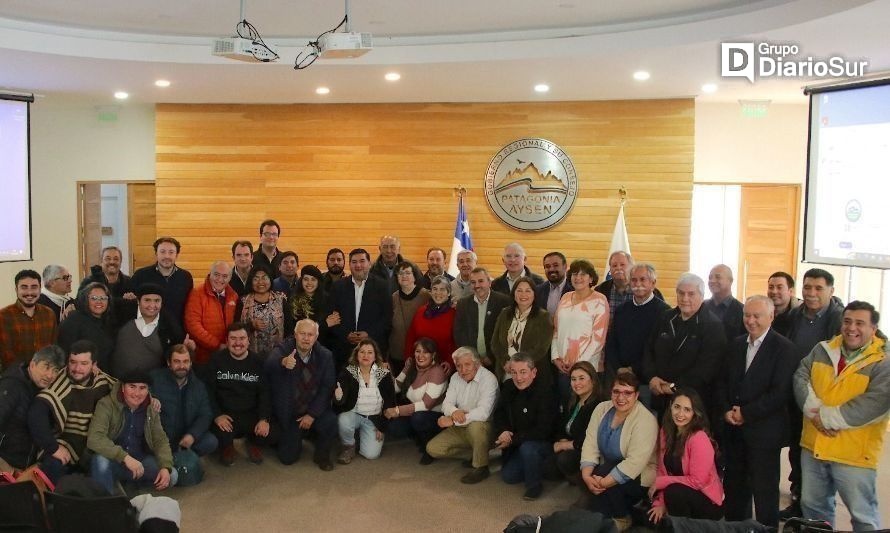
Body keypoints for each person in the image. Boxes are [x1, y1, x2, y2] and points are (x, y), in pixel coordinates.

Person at [793, 301, 890, 531]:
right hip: (814, 447)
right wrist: (814, 412)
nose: (851, 328)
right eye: (847, 321)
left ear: (873, 329)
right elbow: (801, 377)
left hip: (853, 455)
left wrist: (824, 418)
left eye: (860, 323)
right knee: (814, 509)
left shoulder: (883, 363)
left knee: (862, 514)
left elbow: (873, 404)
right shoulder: (822, 349)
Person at [717, 295, 797, 528]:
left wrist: (747, 414)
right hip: (733, 431)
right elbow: (722, 382)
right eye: (747, 315)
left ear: (771, 317)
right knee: (734, 488)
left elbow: (780, 393)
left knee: (765, 491)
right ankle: (736, 528)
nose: (750, 321)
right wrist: (725, 412)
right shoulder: (736, 344)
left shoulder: (784, 348)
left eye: (756, 316)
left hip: (764, 433)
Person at [781, 267, 845, 519]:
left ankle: (819, 512)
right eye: (807, 287)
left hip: (825, 399)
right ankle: (798, 499)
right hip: (796, 393)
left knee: (822, 456)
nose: (812, 293)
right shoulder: (794, 316)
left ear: (831, 291)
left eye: (818, 288)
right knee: (798, 449)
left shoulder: (840, 318)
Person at [28, 340, 115, 482]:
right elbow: (36, 414)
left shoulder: (102, 381)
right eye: (73, 362)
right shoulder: (60, 379)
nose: (77, 368)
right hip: (62, 442)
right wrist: (53, 447)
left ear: (94, 365)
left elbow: (129, 390)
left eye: (84, 363)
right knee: (52, 466)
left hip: (93, 444)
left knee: (102, 462)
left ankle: (102, 503)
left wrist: (152, 398)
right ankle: (52, 502)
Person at [579, 372, 658, 529]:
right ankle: (610, 514)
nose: (621, 397)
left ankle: (621, 517)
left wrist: (602, 482)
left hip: (639, 474)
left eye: (627, 393)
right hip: (606, 468)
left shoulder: (645, 420)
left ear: (636, 395)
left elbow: (634, 463)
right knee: (588, 474)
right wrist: (587, 476)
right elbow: (590, 443)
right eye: (616, 391)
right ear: (611, 392)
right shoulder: (601, 408)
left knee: (598, 497)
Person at [643, 273, 726, 420]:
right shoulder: (665, 317)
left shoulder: (713, 326)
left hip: (692, 402)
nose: (685, 298)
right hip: (660, 396)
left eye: (691, 294)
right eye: (681, 293)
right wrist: (652, 377)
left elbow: (706, 369)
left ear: (702, 295)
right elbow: (649, 349)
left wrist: (673, 387)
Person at [87, 369, 176, 494]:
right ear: (123, 388)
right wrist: (125, 458)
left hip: (140, 461)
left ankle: (129, 483)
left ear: (148, 390)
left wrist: (165, 466)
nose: (137, 393)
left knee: (172, 476)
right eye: (132, 387)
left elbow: (160, 440)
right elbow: (94, 439)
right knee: (100, 461)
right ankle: (107, 501)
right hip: (114, 460)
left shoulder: (151, 408)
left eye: (142, 388)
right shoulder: (106, 404)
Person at [265, 319, 338, 470]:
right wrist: (283, 361)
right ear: (295, 335)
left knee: (330, 421)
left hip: (313, 409)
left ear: (316, 337)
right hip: (292, 412)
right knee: (287, 458)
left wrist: (312, 414)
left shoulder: (325, 356)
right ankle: (299, 435)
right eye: (302, 334)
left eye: (310, 335)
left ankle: (322, 455)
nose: (306, 338)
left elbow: (327, 388)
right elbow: (269, 362)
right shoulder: (285, 347)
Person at [648, 389, 724, 524]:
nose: (680, 414)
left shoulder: (699, 437)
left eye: (687, 410)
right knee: (655, 513)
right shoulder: (665, 432)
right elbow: (662, 471)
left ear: (695, 413)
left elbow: (697, 481)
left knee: (674, 492)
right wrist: (660, 503)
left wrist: (663, 482)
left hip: (707, 501)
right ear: (670, 405)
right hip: (680, 495)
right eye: (677, 407)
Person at [206, 323, 276, 466]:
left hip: (250, 413)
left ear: (248, 340)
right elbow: (208, 391)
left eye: (242, 338)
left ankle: (252, 442)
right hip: (225, 414)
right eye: (233, 338)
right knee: (216, 437)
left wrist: (264, 419)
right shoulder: (216, 360)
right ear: (227, 341)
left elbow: (265, 393)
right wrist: (217, 415)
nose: (238, 343)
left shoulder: (258, 362)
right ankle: (227, 446)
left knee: (272, 434)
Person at [426, 347, 499, 484]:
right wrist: (454, 412)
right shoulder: (455, 377)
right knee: (433, 448)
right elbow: (446, 404)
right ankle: (477, 453)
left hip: (483, 426)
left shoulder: (489, 379)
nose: (463, 369)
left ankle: (481, 467)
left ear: (477, 364)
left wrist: (454, 419)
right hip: (461, 425)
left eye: (467, 365)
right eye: (459, 365)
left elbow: (483, 413)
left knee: (476, 427)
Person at [493, 353, 556, 500]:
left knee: (528, 448)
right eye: (514, 372)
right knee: (509, 477)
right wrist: (503, 431)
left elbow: (543, 430)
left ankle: (534, 486)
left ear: (533, 372)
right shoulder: (508, 387)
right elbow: (499, 413)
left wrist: (512, 439)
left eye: (523, 372)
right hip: (518, 442)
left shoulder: (546, 392)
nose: (518, 378)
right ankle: (534, 466)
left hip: (543, 442)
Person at [605, 263, 669, 406]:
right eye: (634, 280)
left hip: (646, 381)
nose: (637, 284)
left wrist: (633, 369)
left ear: (653, 283)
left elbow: (659, 350)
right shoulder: (622, 310)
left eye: (642, 279)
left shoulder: (664, 312)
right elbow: (612, 342)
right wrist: (619, 368)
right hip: (621, 379)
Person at [0, 345, 65, 473]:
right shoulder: (12, 386)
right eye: (46, 367)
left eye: (55, 370)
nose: (50, 375)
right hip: (6, 463)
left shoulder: (38, 387)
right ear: (33, 364)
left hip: (24, 465)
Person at [551, 259, 609, 404]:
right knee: (565, 409)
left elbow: (598, 339)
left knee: (583, 410)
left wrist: (578, 365)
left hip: (587, 369)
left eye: (583, 274)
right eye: (575, 274)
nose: (578, 278)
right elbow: (556, 330)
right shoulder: (565, 297)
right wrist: (555, 358)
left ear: (591, 278)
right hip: (563, 367)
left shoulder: (600, 300)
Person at [385, 338, 448, 464]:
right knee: (394, 427)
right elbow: (395, 388)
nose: (421, 355)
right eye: (418, 351)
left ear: (433, 354)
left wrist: (398, 410)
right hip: (415, 412)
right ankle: (419, 436)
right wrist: (388, 371)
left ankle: (430, 447)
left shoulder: (437, 372)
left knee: (418, 419)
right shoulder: (411, 367)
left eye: (425, 352)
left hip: (435, 415)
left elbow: (426, 405)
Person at [149, 344, 218, 460]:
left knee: (211, 441)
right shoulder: (154, 378)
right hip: (160, 436)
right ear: (169, 363)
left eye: (185, 361)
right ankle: (175, 458)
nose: (181, 366)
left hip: (184, 437)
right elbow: (138, 391)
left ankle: (178, 458)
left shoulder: (199, 386)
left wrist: (192, 435)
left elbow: (205, 415)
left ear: (191, 363)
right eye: (177, 361)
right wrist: (150, 397)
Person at [111, 283, 192, 379]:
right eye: (147, 300)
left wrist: (188, 348)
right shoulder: (122, 312)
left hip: (152, 386)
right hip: (116, 381)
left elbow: (174, 355)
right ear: (138, 301)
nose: (152, 305)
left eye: (157, 301)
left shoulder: (170, 326)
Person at [329, 248, 393, 370]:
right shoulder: (338, 287)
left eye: (362, 261)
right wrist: (346, 334)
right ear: (349, 265)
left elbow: (387, 318)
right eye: (354, 262)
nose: (358, 265)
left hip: (373, 350)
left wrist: (369, 335)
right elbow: (332, 317)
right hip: (344, 351)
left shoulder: (382, 286)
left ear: (369, 264)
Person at [333, 339, 396, 463]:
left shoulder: (383, 374)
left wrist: (382, 427)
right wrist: (338, 397)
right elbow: (339, 403)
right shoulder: (348, 372)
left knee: (371, 455)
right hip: (353, 414)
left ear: (375, 355)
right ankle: (348, 446)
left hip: (374, 418)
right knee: (343, 420)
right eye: (362, 352)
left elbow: (390, 404)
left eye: (369, 352)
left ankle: (362, 435)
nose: (365, 356)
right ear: (357, 355)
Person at [491, 277, 553, 384]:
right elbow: (495, 343)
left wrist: (519, 366)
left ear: (534, 294)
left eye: (528, 291)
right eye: (519, 290)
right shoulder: (504, 313)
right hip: (506, 370)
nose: (523, 294)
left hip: (530, 373)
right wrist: (505, 362)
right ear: (514, 294)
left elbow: (541, 348)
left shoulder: (543, 316)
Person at [548, 361, 599, 485]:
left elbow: (590, 440)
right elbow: (561, 425)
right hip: (571, 444)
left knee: (563, 460)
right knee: (548, 468)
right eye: (573, 379)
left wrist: (565, 445)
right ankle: (572, 477)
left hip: (587, 450)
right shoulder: (572, 400)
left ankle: (584, 483)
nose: (577, 383)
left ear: (592, 380)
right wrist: (562, 439)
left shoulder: (598, 404)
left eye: (582, 378)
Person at [131, 237, 194, 332]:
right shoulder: (140, 275)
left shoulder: (185, 277)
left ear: (177, 255)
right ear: (156, 253)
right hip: (147, 332)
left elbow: (189, 308)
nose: (167, 256)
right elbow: (132, 304)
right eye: (162, 252)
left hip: (177, 332)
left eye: (171, 252)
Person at [453, 267, 511, 371]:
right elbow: (459, 333)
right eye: (473, 282)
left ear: (489, 282)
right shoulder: (463, 304)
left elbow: (506, 333)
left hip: (497, 361)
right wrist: (472, 357)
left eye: (481, 281)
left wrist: (491, 356)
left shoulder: (504, 302)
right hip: (471, 362)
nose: (477, 286)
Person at [184, 261, 240, 365]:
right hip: (203, 357)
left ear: (230, 278)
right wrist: (217, 345)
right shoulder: (197, 294)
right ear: (210, 274)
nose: (220, 279)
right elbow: (193, 326)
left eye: (224, 276)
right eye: (216, 275)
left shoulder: (234, 296)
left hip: (228, 355)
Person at [0, 270, 57, 371]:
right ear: (16, 290)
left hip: (44, 376)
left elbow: (53, 349)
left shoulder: (49, 314)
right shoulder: (3, 316)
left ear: (40, 289)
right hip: (15, 379)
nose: (29, 292)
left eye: (34, 287)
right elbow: (6, 356)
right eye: (24, 287)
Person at [57, 282, 117, 372]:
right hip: (78, 376)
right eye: (94, 298)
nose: (99, 301)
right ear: (85, 299)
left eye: (103, 298)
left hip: (103, 378)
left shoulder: (109, 322)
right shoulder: (73, 320)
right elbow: (64, 353)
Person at [405, 275, 457, 369]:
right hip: (419, 364)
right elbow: (411, 337)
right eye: (435, 289)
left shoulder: (454, 314)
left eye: (442, 289)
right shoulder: (421, 311)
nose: (438, 293)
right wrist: (408, 357)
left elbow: (456, 343)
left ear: (449, 293)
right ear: (431, 291)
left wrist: (450, 362)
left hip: (442, 366)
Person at [388, 261, 430, 376]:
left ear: (414, 276)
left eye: (407, 273)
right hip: (397, 354)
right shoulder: (394, 297)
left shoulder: (426, 296)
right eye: (400, 273)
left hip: (421, 355)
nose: (404, 276)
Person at [78, 245, 137, 323]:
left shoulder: (130, 282)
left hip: (122, 329)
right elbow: (79, 302)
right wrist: (123, 301)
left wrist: (132, 300)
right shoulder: (89, 282)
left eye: (116, 259)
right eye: (108, 259)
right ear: (101, 262)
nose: (112, 262)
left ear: (120, 262)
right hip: (95, 327)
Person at [240, 265, 286, 358]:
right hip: (251, 355)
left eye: (264, 278)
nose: (260, 282)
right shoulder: (243, 301)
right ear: (251, 281)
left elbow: (289, 327)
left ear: (270, 279)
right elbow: (237, 327)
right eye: (256, 279)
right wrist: (252, 325)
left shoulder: (281, 298)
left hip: (278, 355)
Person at [285, 265, 331, 343]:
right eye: (306, 279)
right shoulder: (293, 300)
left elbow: (332, 325)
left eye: (313, 279)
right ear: (301, 281)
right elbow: (294, 327)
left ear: (318, 282)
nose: (309, 283)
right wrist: (325, 324)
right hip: (298, 343)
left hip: (322, 343)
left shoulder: (327, 300)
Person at [701, 264, 745, 341]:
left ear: (730, 281)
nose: (712, 281)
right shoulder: (701, 307)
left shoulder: (742, 310)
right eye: (710, 277)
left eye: (718, 277)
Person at [534, 251, 571, 319]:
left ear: (565, 266)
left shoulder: (575, 290)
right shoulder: (538, 290)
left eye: (555, 265)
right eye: (547, 266)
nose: (551, 269)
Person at [767, 271, 801, 337]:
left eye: (779, 287)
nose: (774, 292)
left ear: (791, 291)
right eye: (771, 287)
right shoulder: (762, 310)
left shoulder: (801, 313)